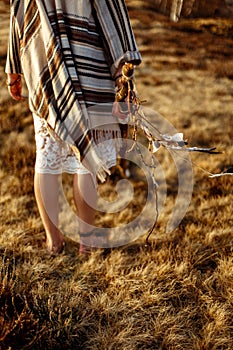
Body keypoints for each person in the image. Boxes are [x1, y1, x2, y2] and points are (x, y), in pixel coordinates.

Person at [6, 0, 141, 255]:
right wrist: (123, 74)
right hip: (89, 69)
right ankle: (87, 242)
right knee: (85, 159)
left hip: (43, 68)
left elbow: (19, 9)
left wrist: (14, 66)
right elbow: (112, 14)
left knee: (46, 158)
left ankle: (53, 242)